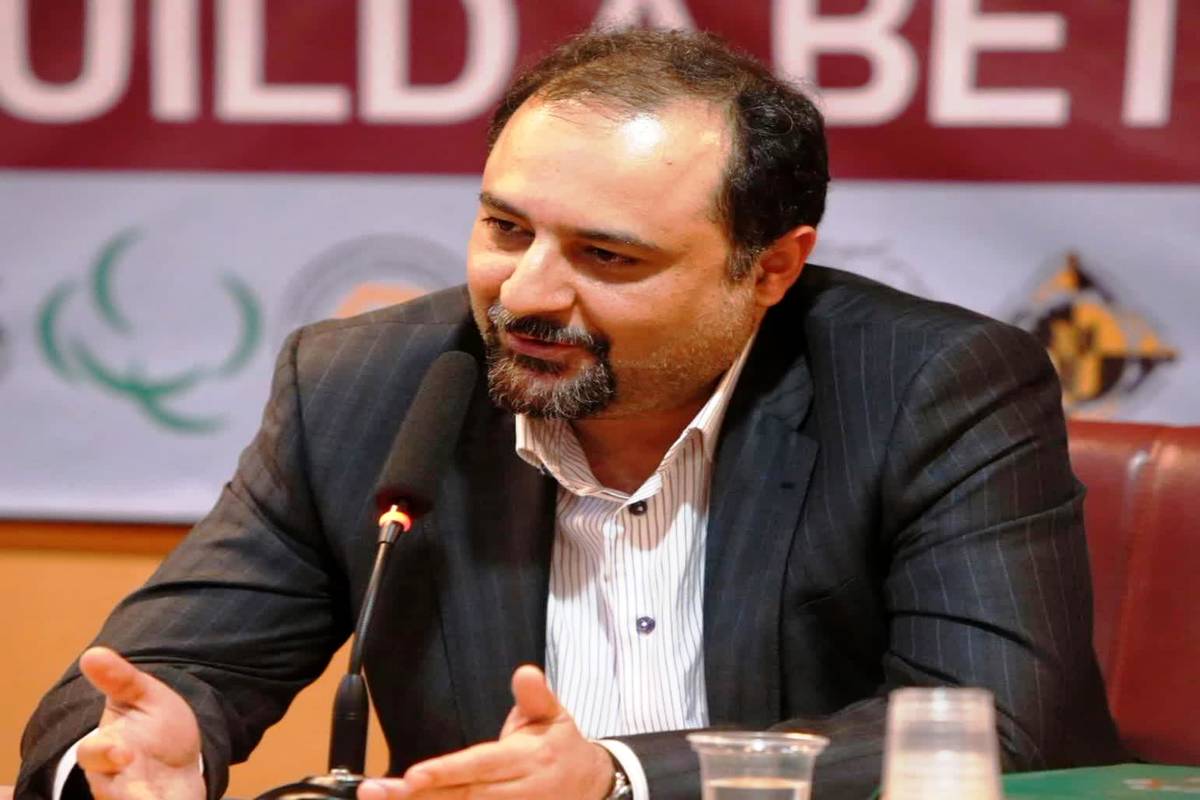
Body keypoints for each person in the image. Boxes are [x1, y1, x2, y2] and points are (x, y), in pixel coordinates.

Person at [17, 28, 1123, 800]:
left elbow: (991, 729)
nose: (528, 292)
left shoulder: (931, 385)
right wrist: (130, 757)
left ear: (771, 269)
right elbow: (151, 682)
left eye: (607, 255)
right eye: (506, 230)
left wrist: (620, 779)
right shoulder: (364, 383)